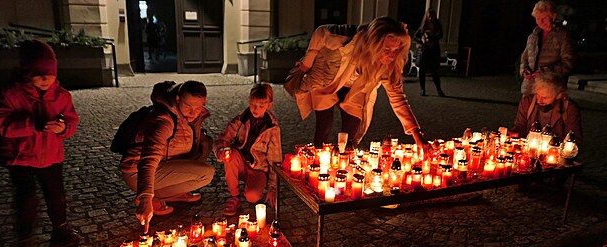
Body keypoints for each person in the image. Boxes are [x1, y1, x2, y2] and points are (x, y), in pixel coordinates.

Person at [294, 16, 430, 153]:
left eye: (396, 50)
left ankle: (344, 163)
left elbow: (398, 99)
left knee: (350, 138)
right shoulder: (347, 37)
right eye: (387, 50)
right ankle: (318, 160)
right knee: (324, 127)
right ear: (374, 44)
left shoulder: (389, 66)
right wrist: (307, 63)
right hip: (328, 81)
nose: (391, 56)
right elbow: (321, 32)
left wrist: (416, 134)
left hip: (355, 91)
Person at [0, 40, 80, 247]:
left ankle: (60, 229)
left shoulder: (61, 96)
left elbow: (71, 122)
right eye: (38, 73)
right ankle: (25, 236)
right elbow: (4, 125)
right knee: (26, 197)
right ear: (26, 71)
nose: (45, 79)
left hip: (51, 156)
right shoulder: (10, 94)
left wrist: (63, 128)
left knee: (56, 194)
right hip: (20, 157)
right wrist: (34, 124)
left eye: (49, 73)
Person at [119, 80, 215, 233]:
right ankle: (153, 198)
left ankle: (172, 194)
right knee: (206, 173)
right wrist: (145, 196)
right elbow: (148, 159)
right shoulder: (163, 120)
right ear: (177, 99)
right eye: (188, 106)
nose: (193, 112)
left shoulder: (186, 115)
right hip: (137, 173)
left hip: (164, 164)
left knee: (202, 151)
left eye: (198, 107)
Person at [214, 83, 282, 216]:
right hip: (240, 163)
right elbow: (222, 138)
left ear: (269, 105)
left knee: (252, 197)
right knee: (231, 154)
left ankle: (251, 188)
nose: (255, 109)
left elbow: (275, 159)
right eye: (253, 105)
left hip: (258, 169)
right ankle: (235, 197)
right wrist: (221, 150)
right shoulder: (242, 119)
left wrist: (273, 188)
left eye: (261, 106)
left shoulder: (272, 129)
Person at [519, 1, 575, 96]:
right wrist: (524, 70)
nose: (540, 22)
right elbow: (524, 58)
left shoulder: (562, 36)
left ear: (552, 17)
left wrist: (544, 72)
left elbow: (568, 63)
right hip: (529, 89)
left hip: (550, 89)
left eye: (544, 18)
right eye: (537, 18)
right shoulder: (533, 36)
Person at [511, 73, 582, 144]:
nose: (539, 100)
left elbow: (573, 138)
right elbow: (520, 126)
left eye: (545, 97)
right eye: (537, 95)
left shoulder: (569, 109)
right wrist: (514, 135)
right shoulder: (528, 102)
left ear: (559, 95)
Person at [415, 8, 445, 97]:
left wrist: (432, 39)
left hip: (433, 51)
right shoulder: (423, 26)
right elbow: (415, 36)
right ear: (426, 17)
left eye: (432, 16)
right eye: (429, 17)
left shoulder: (437, 25)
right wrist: (422, 40)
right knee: (422, 71)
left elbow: (440, 34)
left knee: (434, 71)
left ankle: (439, 90)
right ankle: (422, 89)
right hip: (424, 51)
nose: (431, 18)